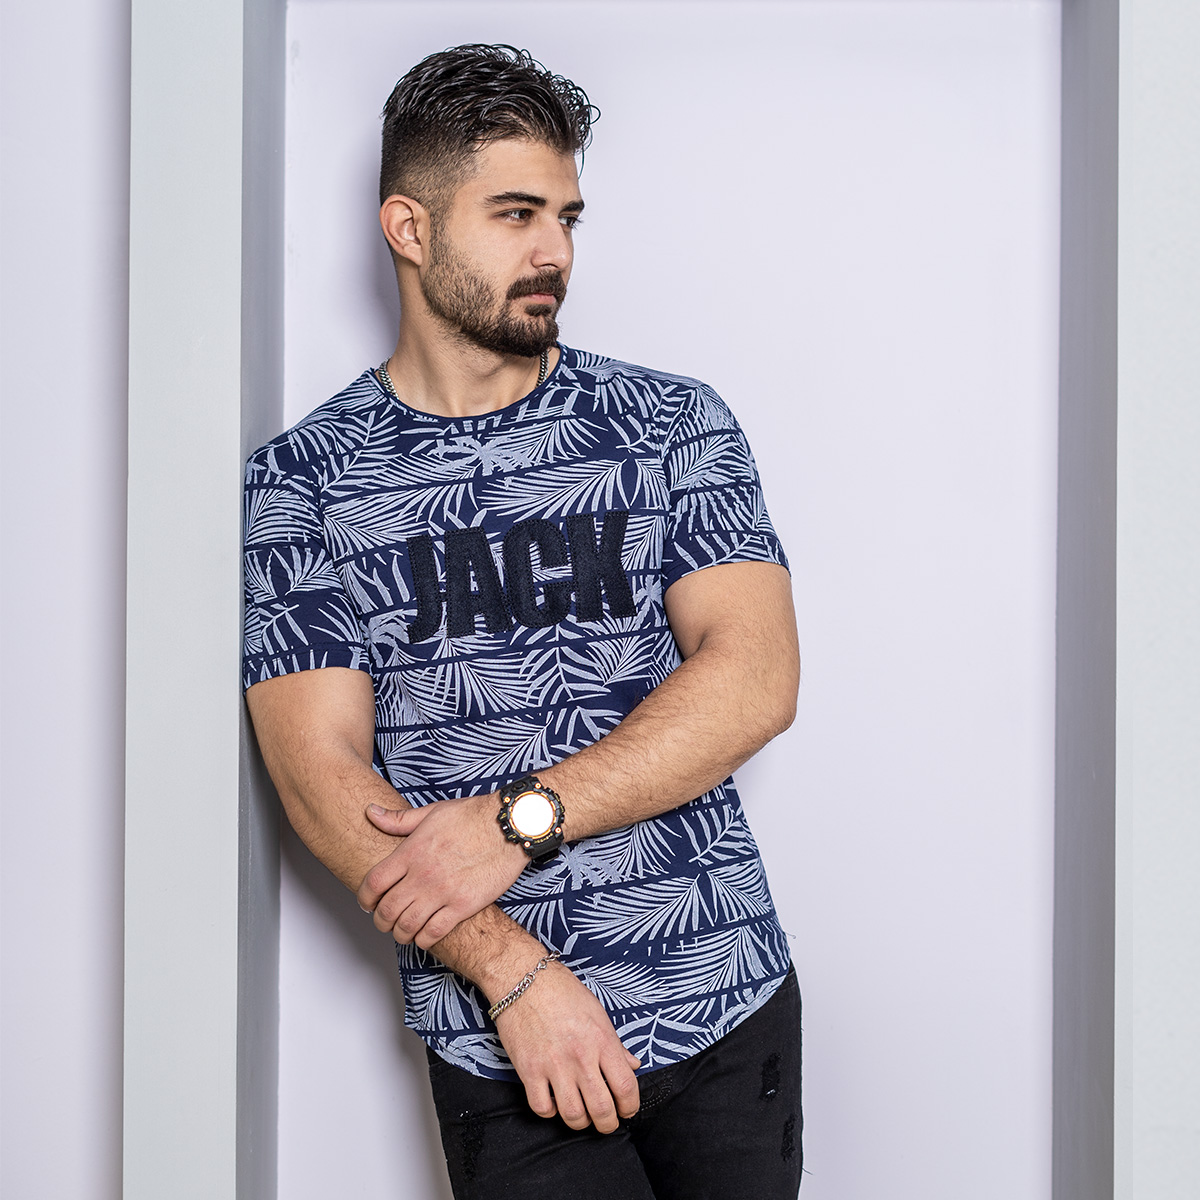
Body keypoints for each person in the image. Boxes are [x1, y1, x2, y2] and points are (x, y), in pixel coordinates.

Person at [243, 43, 803, 1199]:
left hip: (727, 1002)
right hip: (502, 1041)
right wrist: (513, 978)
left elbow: (754, 678)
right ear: (409, 228)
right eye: (515, 214)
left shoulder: (668, 425)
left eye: (565, 216)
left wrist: (515, 825)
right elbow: (319, 777)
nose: (554, 250)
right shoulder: (304, 484)